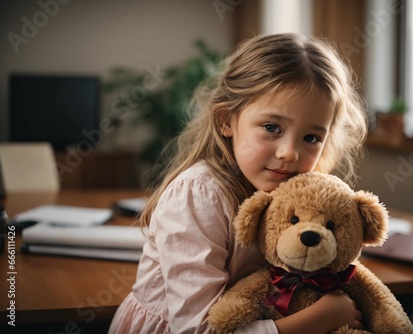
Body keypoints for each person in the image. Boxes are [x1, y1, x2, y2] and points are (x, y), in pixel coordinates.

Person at [109, 33, 368, 334]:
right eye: (271, 127)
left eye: (311, 138)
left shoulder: (294, 195)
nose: (290, 152)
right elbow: (197, 329)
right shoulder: (199, 194)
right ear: (226, 121)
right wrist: (321, 318)